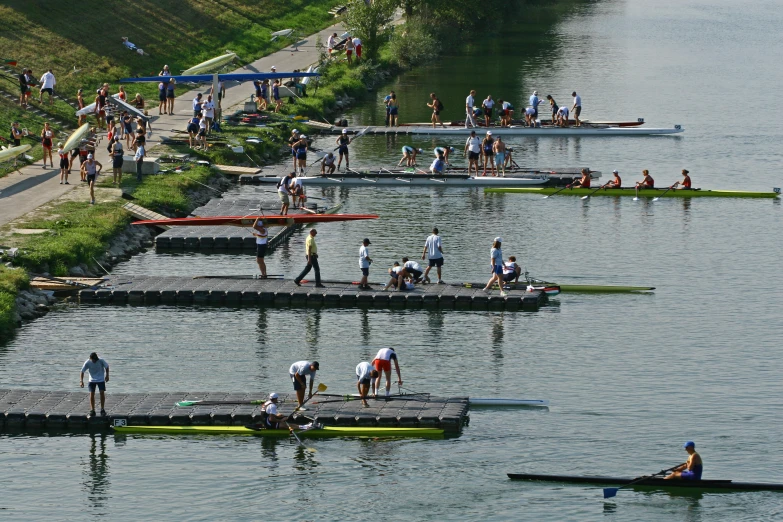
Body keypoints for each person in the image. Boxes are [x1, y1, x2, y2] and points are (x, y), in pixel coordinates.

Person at [80, 352, 109, 416]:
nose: (95, 361)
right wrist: (81, 381)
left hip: (101, 379)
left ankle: (102, 409)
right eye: (93, 360)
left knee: (102, 393)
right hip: (92, 380)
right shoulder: (87, 362)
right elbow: (82, 371)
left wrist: (107, 375)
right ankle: (92, 410)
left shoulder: (101, 360)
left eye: (96, 359)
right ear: (90, 358)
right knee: (92, 394)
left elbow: (107, 367)